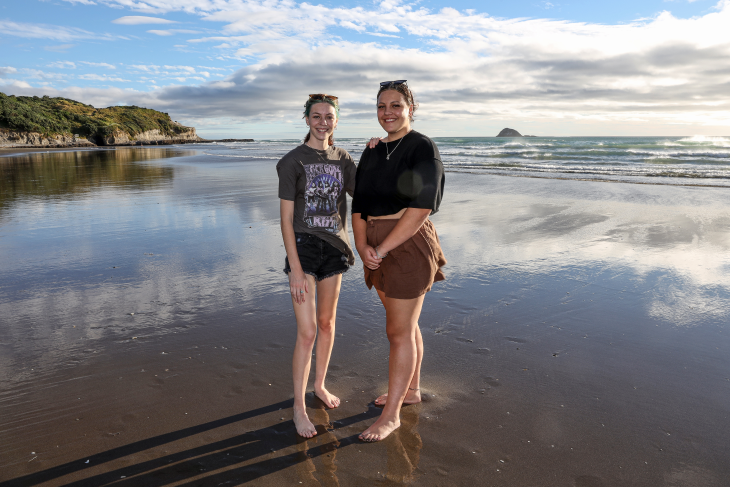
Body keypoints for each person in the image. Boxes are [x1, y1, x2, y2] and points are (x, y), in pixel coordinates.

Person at [351, 80, 446, 442]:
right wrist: (362, 246)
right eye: (381, 106)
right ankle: (410, 391)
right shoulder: (372, 151)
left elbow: (422, 206)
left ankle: (391, 416)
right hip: (374, 245)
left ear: (411, 108)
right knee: (405, 326)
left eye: (395, 105)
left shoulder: (421, 146)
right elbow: (358, 203)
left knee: (397, 331)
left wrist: (384, 247)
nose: (387, 112)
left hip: (405, 244)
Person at [277, 93, 357, 438]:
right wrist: (295, 268)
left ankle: (320, 386)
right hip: (304, 249)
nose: (323, 122)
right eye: (316, 116)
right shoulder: (292, 161)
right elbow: (285, 219)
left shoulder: (343, 158)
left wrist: (379, 148)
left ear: (336, 122)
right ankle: (298, 406)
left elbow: (366, 190)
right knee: (307, 331)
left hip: (336, 247)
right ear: (307, 119)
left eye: (329, 117)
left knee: (326, 323)